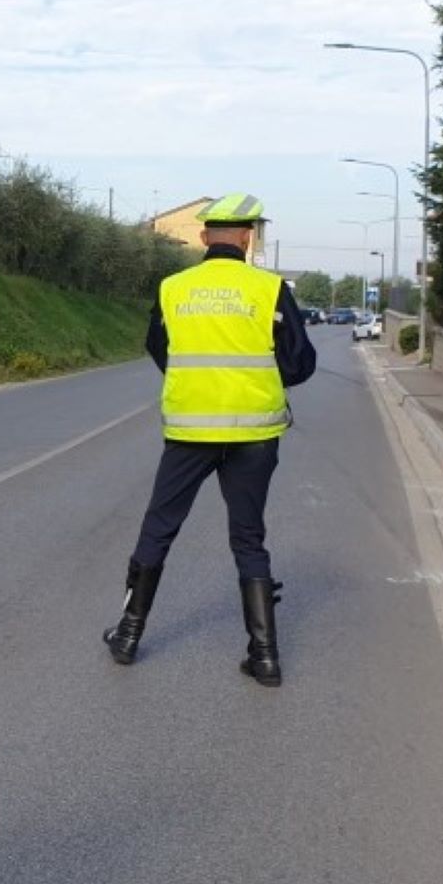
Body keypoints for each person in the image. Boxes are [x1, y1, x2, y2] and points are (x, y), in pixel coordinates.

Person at [103, 194, 316, 687]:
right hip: (255, 432)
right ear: (248, 238)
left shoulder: (174, 287)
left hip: (189, 431)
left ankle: (129, 636)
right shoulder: (269, 289)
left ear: (203, 238)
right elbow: (300, 360)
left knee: (159, 527)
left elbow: (159, 348)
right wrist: (258, 380)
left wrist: (199, 385)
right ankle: (264, 656)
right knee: (248, 537)